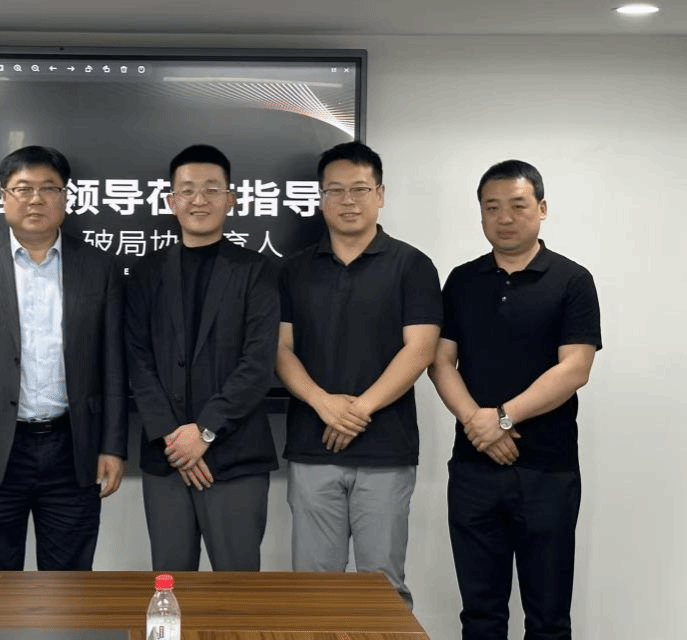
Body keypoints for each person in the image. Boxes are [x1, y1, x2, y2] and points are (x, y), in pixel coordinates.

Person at [428, 159, 600, 640]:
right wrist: (478, 424)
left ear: (542, 208)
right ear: (481, 214)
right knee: (480, 616)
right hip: (474, 468)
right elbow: (440, 361)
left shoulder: (571, 280)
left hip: (548, 471)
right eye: (492, 207)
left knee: (548, 618)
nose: (504, 217)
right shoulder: (462, 280)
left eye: (518, 205)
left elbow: (575, 368)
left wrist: (503, 418)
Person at [0, 145, 128, 571]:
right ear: (3, 196)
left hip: (73, 446)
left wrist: (113, 445)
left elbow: (114, 364)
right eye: (23, 188)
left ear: (65, 197)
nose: (36, 199)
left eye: (48, 188)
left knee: (70, 581)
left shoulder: (99, 266)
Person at [276, 141, 441, 607]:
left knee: (383, 589)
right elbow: (280, 349)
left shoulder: (412, 265)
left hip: (385, 449)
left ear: (380, 194)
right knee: (313, 590)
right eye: (335, 190)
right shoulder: (293, 270)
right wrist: (323, 403)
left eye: (360, 189)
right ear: (320, 198)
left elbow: (421, 348)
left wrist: (358, 410)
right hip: (312, 447)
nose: (348, 201)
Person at [125, 144, 279, 571]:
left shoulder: (257, 270)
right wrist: (176, 439)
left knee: (237, 588)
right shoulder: (145, 272)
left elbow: (258, 361)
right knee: (170, 582)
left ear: (231, 199)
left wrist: (205, 431)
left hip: (236, 455)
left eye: (212, 189)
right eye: (187, 190)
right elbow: (136, 358)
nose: (199, 199)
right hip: (168, 457)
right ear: (171, 201)